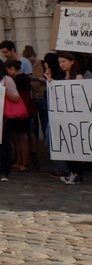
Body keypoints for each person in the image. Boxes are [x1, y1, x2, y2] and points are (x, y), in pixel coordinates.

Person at [46, 51, 85, 185]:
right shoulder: (61, 79)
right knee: (66, 145)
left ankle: (77, 173)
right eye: (60, 62)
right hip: (64, 117)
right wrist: (50, 80)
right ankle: (71, 172)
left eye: (64, 61)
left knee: (75, 144)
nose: (61, 64)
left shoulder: (78, 77)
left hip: (74, 116)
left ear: (72, 62)